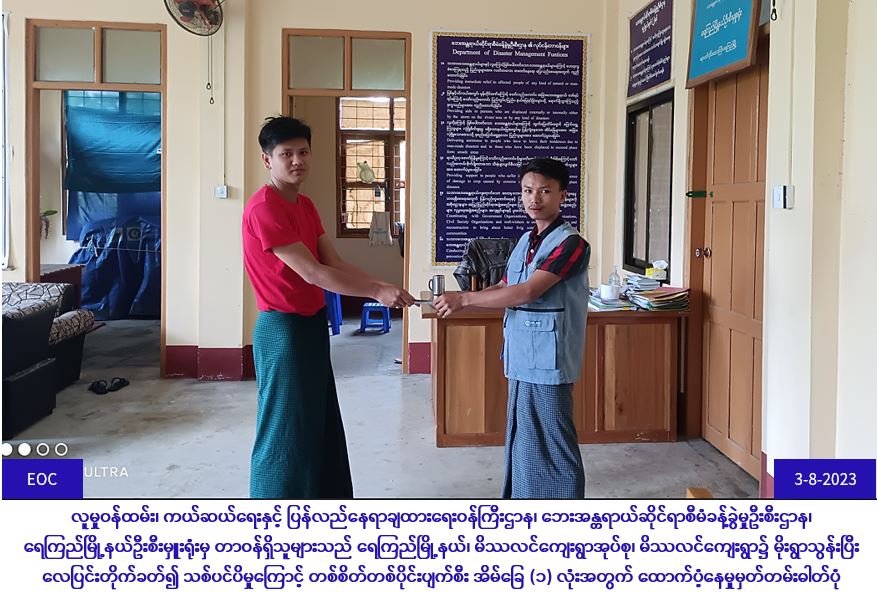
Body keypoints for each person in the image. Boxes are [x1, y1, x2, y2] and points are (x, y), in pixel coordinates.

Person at [242, 116, 415, 499]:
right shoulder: (264, 208)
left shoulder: (304, 204)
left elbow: (333, 262)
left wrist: (383, 286)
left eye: (303, 152)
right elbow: (313, 273)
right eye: (286, 154)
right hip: (283, 330)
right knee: (285, 429)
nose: (297, 161)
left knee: (318, 422)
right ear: (267, 159)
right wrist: (375, 291)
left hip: (311, 325)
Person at [433, 158, 591, 499]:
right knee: (523, 435)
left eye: (545, 191)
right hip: (521, 355)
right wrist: (463, 300)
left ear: (563, 195)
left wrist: (465, 299)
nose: (535, 199)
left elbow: (528, 291)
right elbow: (506, 284)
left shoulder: (571, 243)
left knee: (554, 440)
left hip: (549, 360)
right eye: (528, 190)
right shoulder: (525, 239)